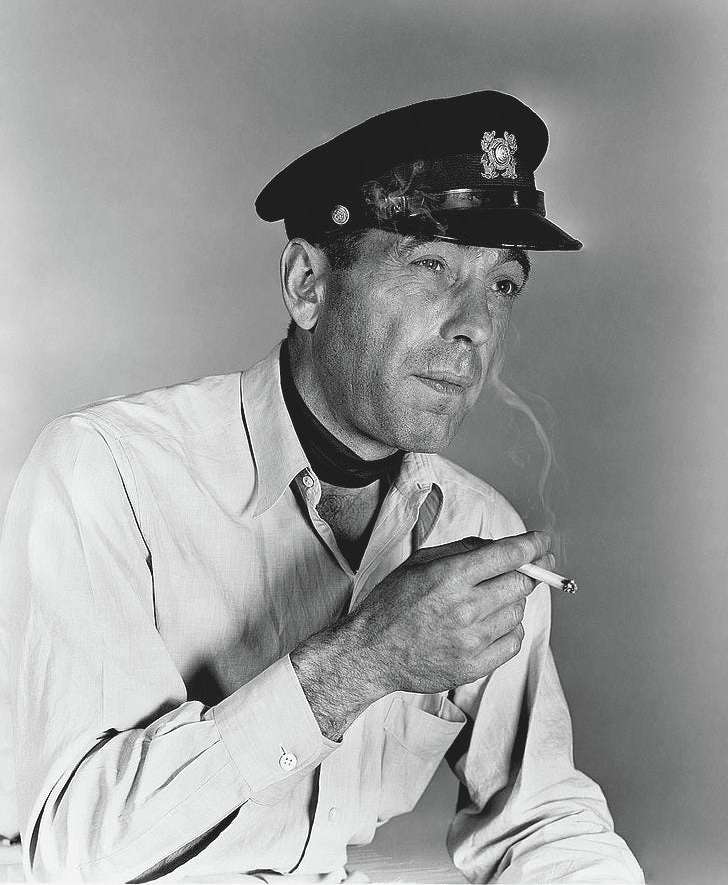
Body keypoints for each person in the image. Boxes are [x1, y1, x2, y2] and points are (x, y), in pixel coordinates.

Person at [0, 90, 644, 883]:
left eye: (503, 285)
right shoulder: (107, 472)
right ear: (309, 283)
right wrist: (363, 660)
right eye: (431, 266)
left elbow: (539, 821)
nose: (474, 325)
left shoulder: (475, 528)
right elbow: (76, 855)